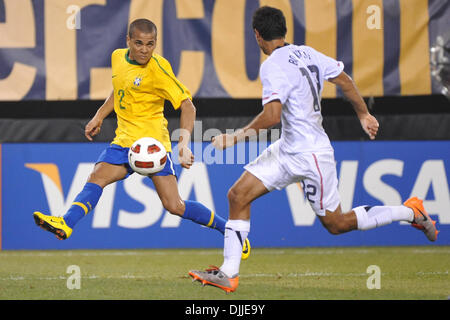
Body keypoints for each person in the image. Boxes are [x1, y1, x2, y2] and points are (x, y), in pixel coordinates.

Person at [188, 6, 439, 293]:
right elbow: (345, 80)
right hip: (287, 149)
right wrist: (363, 114)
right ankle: (228, 273)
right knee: (237, 195)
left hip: (311, 155)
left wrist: (234, 138)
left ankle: (410, 212)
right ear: (284, 31)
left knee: (337, 224)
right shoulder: (308, 53)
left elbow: (271, 116)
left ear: (257, 35)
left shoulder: (271, 66)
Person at [33, 18, 250, 259]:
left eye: (150, 44)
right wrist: (98, 116)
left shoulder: (159, 69)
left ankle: (230, 231)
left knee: (174, 205)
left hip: (153, 147)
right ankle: (66, 222)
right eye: (139, 43)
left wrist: (183, 145)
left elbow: (188, 106)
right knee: (96, 177)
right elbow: (120, 90)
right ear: (128, 41)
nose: (145, 50)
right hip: (124, 141)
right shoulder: (117, 57)